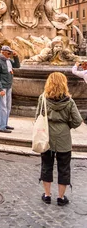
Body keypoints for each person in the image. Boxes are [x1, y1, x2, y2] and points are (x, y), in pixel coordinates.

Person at [37, 72, 83, 206]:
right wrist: (67, 125)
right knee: (64, 167)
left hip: (47, 137)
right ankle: (61, 197)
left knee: (46, 165)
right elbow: (78, 120)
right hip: (63, 137)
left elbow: (37, 117)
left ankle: (47, 195)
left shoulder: (43, 98)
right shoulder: (69, 101)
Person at [0, 44, 20, 133]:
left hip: (8, 86)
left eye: (10, 53)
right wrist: (0, 89)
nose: (9, 54)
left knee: (8, 107)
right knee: (2, 107)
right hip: (2, 87)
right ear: (2, 52)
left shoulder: (8, 61)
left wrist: (16, 57)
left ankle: (5, 124)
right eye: (8, 53)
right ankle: (0, 126)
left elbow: (17, 66)